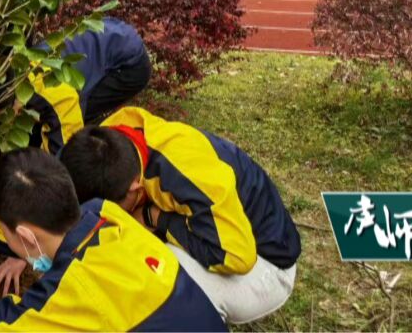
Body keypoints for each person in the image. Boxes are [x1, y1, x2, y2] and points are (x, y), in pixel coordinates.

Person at [58, 107, 301, 325]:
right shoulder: (108, 142)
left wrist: (155, 218)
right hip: (224, 231)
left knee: (156, 279)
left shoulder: (187, 177)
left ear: (135, 189)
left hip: (263, 265)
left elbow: (237, 257)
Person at [0, 148, 225, 332]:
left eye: (5, 230)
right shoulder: (109, 215)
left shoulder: (75, 293)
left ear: (25, 235)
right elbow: (39, 240)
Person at [39, 17, 151, 124]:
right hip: (115, 32)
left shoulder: (57, 83)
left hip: (132, 64)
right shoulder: (33, 57)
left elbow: (70, 112)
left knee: (74, 113)